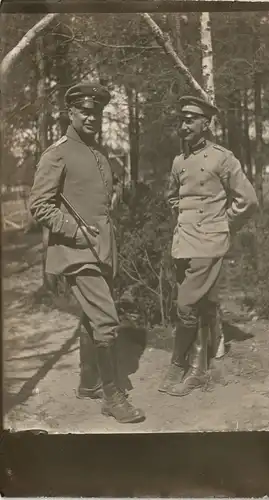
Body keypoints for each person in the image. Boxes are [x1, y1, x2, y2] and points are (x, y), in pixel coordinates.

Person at [29, 81, 145, 424]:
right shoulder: (58, 153)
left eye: (97, 111)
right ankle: (112, 397)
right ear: (71, 113)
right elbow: (39, 205)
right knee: (106, 319)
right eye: (84, 111)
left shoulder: (99, 154)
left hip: (103, 251)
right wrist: (74, 230)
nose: (92, 117)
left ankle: (89, 382)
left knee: (92, 317)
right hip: (77, 252)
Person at [159, 95, 259, 397]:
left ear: (206, 124)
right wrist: (182, 219)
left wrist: (221, 224)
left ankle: (178, 364)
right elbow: (172, 197)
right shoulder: (179, 161)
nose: (184, 123)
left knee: (185, 306)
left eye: (191, 118)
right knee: (198, 309)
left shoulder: (222, 158)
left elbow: (248, 200)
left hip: (208, 244)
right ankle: (199, 372)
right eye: (182, 118)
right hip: (183, 244)